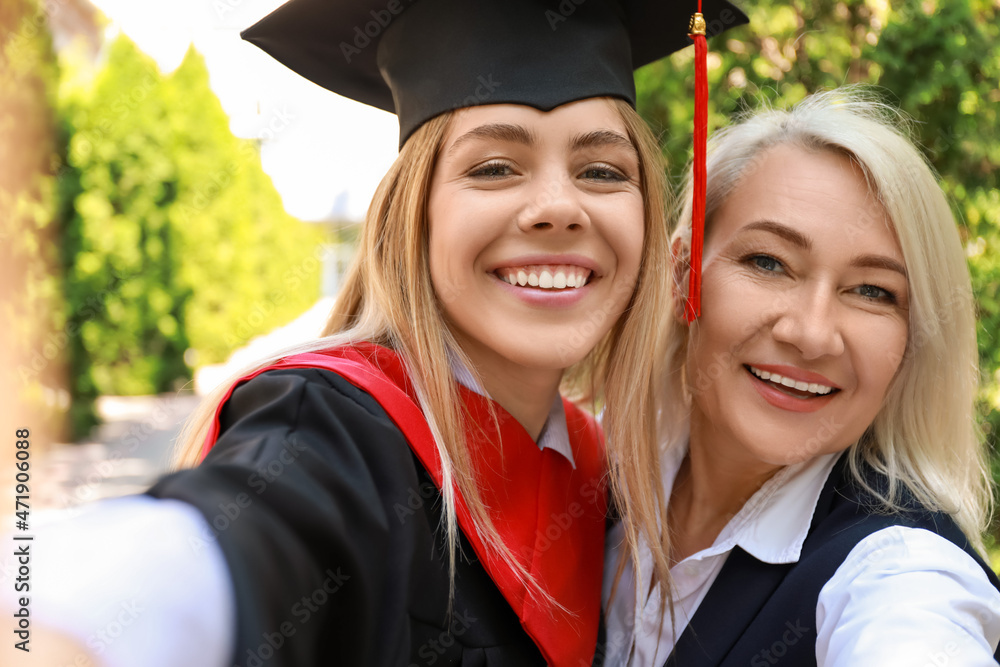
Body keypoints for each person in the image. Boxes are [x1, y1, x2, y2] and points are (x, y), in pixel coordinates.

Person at [0, 1, 749, 666]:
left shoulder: (604, 472)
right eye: (493, 167)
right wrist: (61, 618)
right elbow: (228, 551)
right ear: (412, 216)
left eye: (602, 171)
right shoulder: (334, 427)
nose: (558, 206)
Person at [599, 88, 1000, 667]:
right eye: (768, 262)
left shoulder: (898, 569)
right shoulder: (596, 474)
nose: (811, 334)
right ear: (682, 272)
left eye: (872, 292)